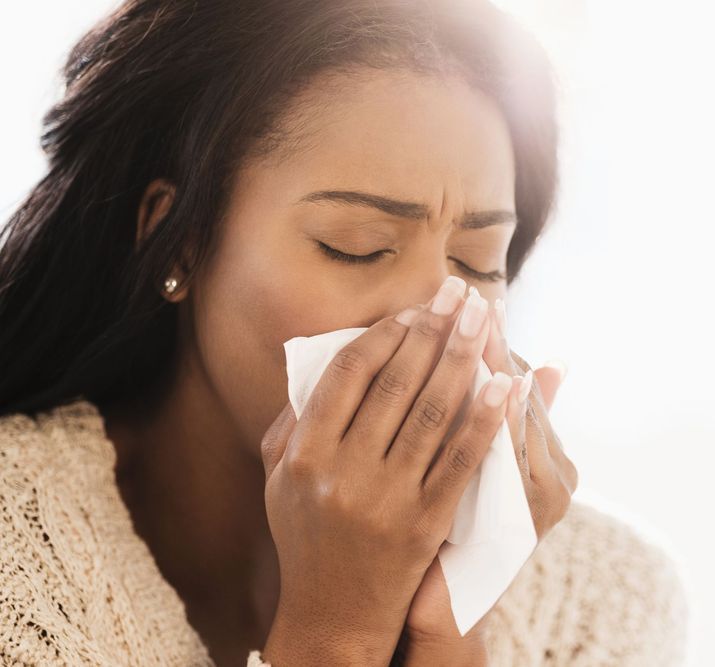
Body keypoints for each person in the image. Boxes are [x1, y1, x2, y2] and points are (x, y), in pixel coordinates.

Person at [0, 0, 688, 665]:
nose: (439, 311)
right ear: (175, 242)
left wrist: (452, 626)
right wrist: (338, 631)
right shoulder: (17, 564)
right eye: (355, 245)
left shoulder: (607, 600)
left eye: (478, 261)